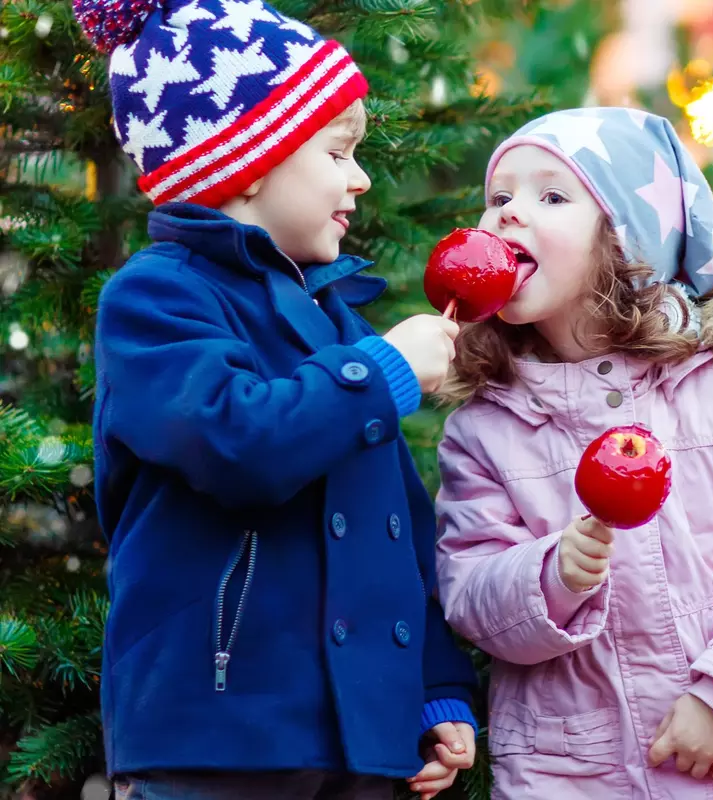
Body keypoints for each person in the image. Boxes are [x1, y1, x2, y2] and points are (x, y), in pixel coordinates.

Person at [72, 0, 478, 796]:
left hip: (362, 734)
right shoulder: (156, 299)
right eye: (338, 151)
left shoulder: (334, 320)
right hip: (222, 731)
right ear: (249, 161)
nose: (360, 177)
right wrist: (383, 372)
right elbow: (236, 443)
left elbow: (396, 521)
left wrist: (432, 686)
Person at [434, 106, 713, 799]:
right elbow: (469, 593)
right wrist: (552, 575)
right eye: (499, 197)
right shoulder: (485, 425)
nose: (508, 214)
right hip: (573, 773)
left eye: (550, 195)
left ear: (628, 238)